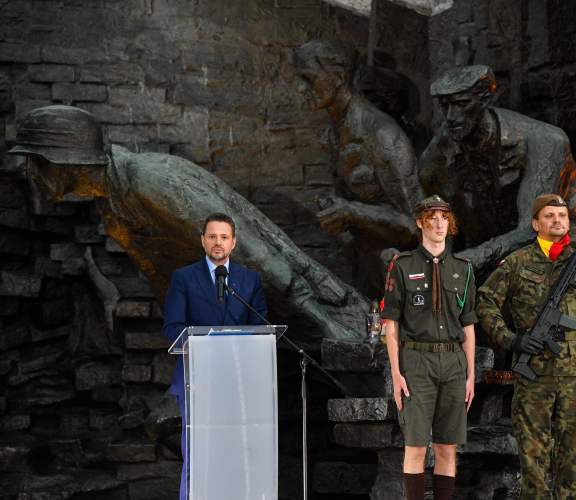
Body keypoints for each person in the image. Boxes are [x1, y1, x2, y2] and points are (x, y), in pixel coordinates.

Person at [8, 105, 368, 342]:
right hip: (233, 332)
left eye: (36, 161)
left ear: (64, 159)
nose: (29, 173)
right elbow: (163, 280)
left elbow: (255, 253)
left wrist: (327, 325)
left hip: (301, 314)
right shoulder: (115, 214)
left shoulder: (151, 180)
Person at [476, 194, 576, 499]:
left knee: (573, 462)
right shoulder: (517, 262)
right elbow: (484, 301)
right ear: (535, 223)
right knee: (533, 463)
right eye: (550, 216)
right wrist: (511, 339)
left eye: (562, 216)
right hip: (533, 378)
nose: (557, 221)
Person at [418, 65, 576, 275]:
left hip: (562, 251)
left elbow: (532, 228)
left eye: (461, 104)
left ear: (484, 101)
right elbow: (439, 209)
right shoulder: (440, 153)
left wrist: (469, 260)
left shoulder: (545, 141)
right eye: (445, 106)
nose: (451, 116)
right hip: (497, 255)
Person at [293, 38, 425, 296]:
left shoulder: (381, 133)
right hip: (369, 277)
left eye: (309, 78)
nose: (300, 88)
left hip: (405, 284)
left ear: (339, 76)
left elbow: (416, 226)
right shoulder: (334, 134)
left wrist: (351, 212)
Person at [162, 212, 268, 500]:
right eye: (212, 236)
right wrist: (205, 342)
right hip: (195, 380)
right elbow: (172, 327)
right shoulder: (184, 278)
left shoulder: (250, 280)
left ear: (233, 243)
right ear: (202, 241)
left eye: (223, 237)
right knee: (197, 455)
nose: (217, 242)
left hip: (238, 383)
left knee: (236, 455)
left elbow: (261, 330)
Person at [381, 195, 477, 500]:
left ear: (450, 224)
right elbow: (391, 324)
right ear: (420, 222)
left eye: (444, 218)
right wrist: (396, 373)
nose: (439, 223)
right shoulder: (402, 265)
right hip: (416, 361)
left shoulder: (464, 269)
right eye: (432, 217)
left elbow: (468, 326)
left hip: (453, 362)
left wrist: (471, 374)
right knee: (416, 447)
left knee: (447, 448)